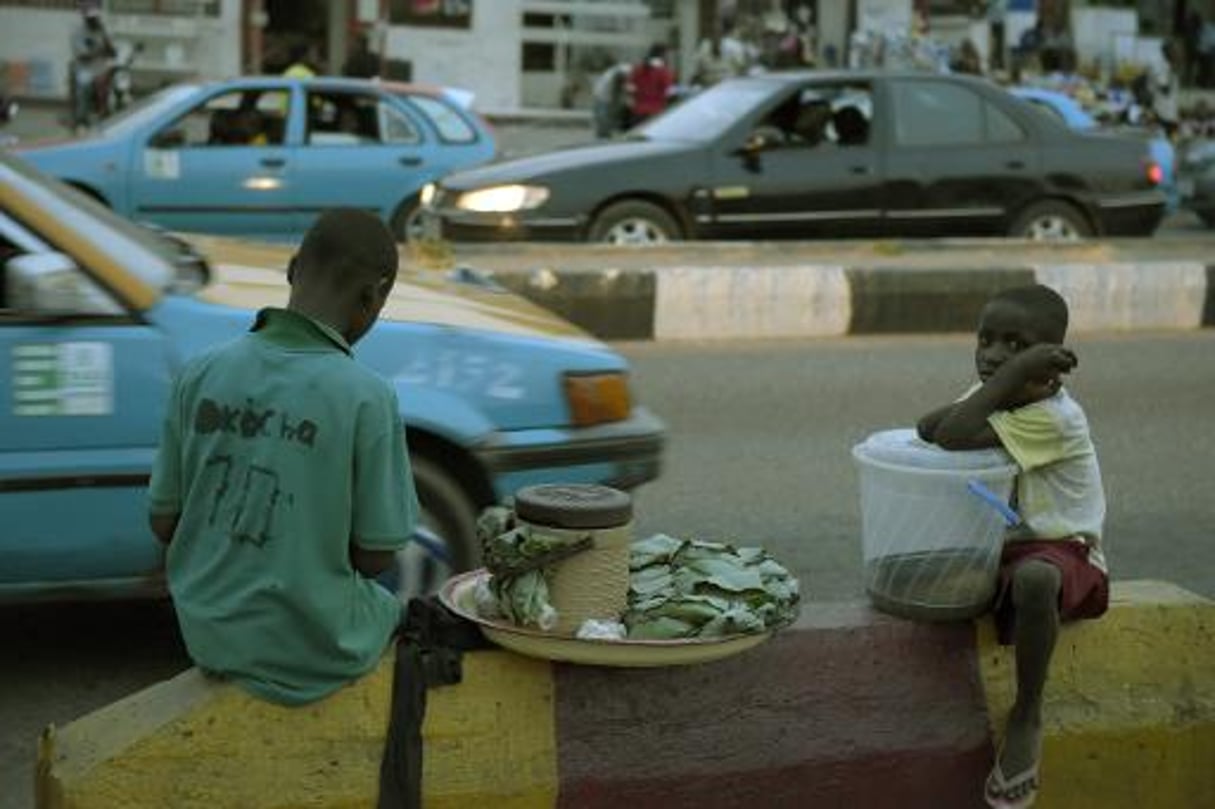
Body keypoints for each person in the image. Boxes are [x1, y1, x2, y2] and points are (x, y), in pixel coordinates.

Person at [147, 208, 419, 706]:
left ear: (293, 269)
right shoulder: (366, 396)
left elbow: (164, 522)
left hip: (209, 633)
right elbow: (376, 554)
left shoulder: (201, 373)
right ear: (373, 295)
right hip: (318, 650)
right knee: (404, 615)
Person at [916, 285, 1108, 809]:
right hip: (1005, 548)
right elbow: (928, 427)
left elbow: (952, 433)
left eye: (1013, 344)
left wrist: (999, 382)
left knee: (1035, 578)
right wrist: (1007, 377)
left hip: (1064, 555)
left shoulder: (1056, 418)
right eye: (985, 339)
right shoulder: (1005, 394)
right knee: (917, 573)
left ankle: (1028, 712)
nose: (992, 353)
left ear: (1050, 367)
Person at [70, 4, 116, 130]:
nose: (94, 20)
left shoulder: (103, 30)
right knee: (84, 85)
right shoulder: (79, 32)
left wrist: (106, 38)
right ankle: (81, 118)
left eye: (96, 18)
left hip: (101, 68)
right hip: (85, 69)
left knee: (108, 85)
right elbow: (83, 56)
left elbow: (113, 53)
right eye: (91, 18)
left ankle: (104, 115)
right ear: (85, 18)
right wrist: (100, 51)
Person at [627, 44, 675, 125]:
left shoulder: (638, 68)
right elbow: (668, 91)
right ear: (662, 55)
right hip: (655, 113)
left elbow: (629, 87)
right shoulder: (663, 71)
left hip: (638, 112)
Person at [591, 61, 632, 138]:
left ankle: (603, 132)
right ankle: (603, 133)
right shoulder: (620, 74)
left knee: (603, 115)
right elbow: (618, 88)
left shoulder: (619, 72)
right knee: (603, 115)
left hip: (603, 94)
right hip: (603, 95)